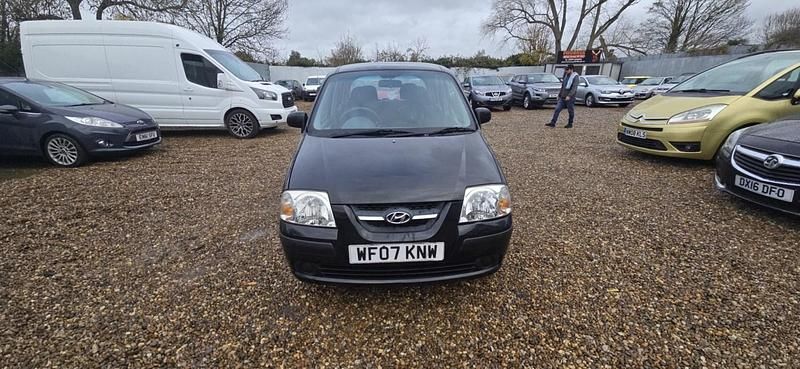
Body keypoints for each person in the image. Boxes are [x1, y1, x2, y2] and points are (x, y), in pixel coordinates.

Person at [547, 64, 578, 128]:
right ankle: (553, 122)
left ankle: (570, 123)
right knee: (557, 109)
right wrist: (559, 94)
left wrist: (569, 96)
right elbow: (563, 86)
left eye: (567, 70)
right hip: (562, 97)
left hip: (570, 98)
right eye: (565, 70)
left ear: (571, 69)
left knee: (570, 111)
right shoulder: (566, 76)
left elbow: (574, 88)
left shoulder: (575, 77)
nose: (565, 71)